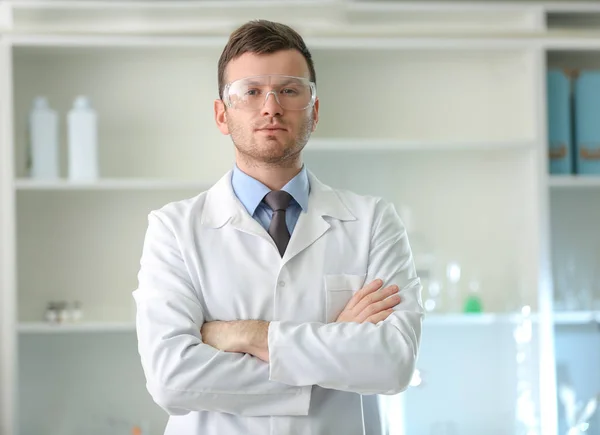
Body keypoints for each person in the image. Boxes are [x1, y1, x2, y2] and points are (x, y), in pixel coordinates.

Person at [133, 19, 424, 435]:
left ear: (315, 110)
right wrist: (335, 344)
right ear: (222, 114)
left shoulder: (373, 222)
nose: (271, 107)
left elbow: (393, 363)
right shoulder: (173, 229)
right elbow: (171, 379)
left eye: (289, 90)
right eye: (250, 92)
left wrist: (247, 335)